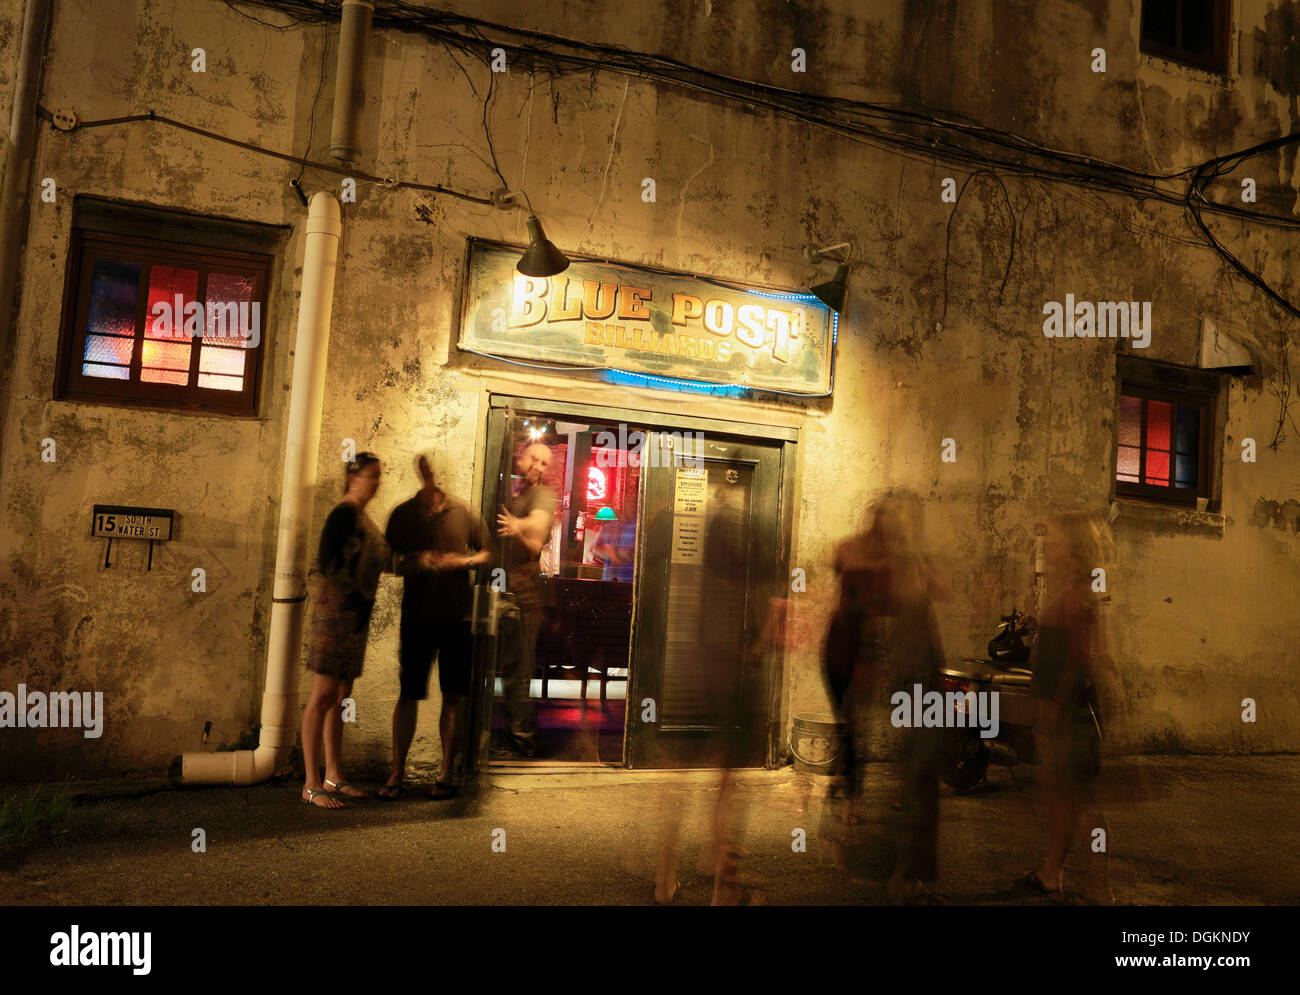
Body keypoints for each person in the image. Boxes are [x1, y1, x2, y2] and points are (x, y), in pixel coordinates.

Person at [839, 494, 949, 900]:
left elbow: (942, 591)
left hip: (922, 677)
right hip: (909, 677)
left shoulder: (912, 564)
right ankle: (911, 872)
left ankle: (913, 873)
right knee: (913, 776)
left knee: (920, 776)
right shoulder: (885, 568)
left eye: (891, 524)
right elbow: (867, 611)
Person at [1020, 511, 1121, 905]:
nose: (1052, 543)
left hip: (1072, 710)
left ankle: (1099, 886)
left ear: (1075, 547)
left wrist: (1057, 705)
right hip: (1067, 708)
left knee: (1081, 801)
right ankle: (1052, 872)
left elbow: (1081, 657)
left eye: (1059, 538)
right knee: (1068, 797)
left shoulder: (1080, 592)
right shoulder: (1072, 588)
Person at [380, 453, 491, 800]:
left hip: (458, 619)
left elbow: (488, 551)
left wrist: (463, 560)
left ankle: (445, 775)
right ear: (418, 472)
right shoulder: (402, 514)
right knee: (408, 693)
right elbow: (386, 561)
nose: (429, 473)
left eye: (434, 468)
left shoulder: (462, 511)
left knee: (454, 695)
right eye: (423, 467)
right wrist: (417, 561)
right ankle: (396, 773)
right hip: (417, 617)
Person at [300, 453, 392, 809]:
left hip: (353, 619)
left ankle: (333, 776)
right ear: (353, 477)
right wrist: (352, 597)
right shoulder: (344, 513)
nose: (377, 482)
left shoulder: (362, 517)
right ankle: (310, 784)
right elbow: (328, 563)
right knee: (323, 695)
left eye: (379, 476)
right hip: (336, 616)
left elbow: (382, 560)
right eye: (372, 475)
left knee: (340, 697)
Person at [494, 442, 557, 758]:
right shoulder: (510, 493)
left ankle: (522, 743)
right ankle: (509, 737)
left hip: (523, 596)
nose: (539, 466)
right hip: (505, 591)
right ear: (520, 458)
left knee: (517, 674)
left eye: (545, 463)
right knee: (504, 670)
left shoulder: (542, 496)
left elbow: (534, 540)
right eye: (535, 458)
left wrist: (515, 526)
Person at [592, 516, 636, 582]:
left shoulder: (638, 526)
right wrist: (612, 556)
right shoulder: (608, 527)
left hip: (631, 581)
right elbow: (594, 549)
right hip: (609, 578)